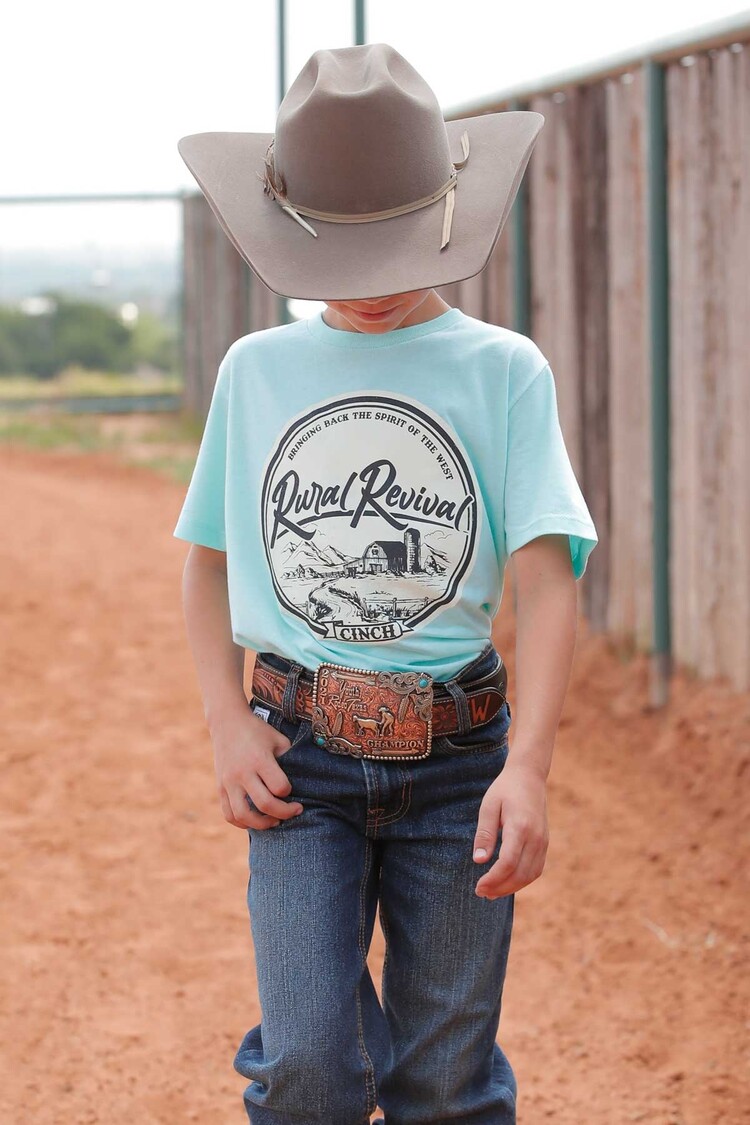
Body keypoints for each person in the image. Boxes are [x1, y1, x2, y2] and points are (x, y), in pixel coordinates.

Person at [173, 42, 598, 1125]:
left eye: (391, 251)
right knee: (310, 1064)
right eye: (342, 258)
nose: (367, 290)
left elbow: (550, 582)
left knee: (443, 1081)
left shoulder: (502, 370)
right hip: (298, 758)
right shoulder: (257, 371)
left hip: (458, 763)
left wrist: (530, 771)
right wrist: (225, 720)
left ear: (447, 220)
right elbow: (208, 561)